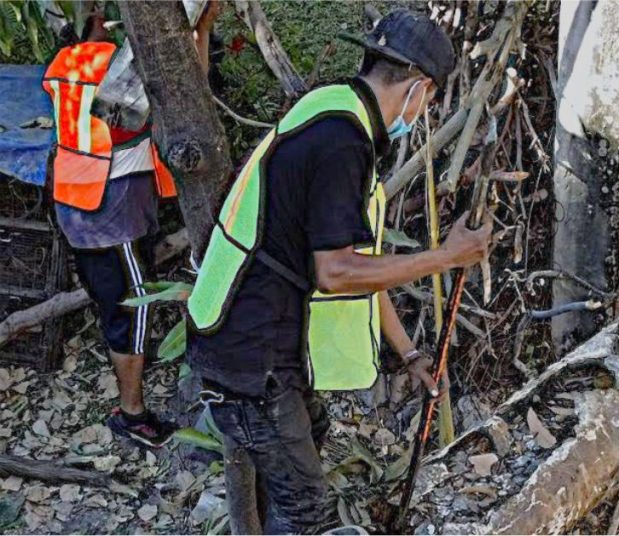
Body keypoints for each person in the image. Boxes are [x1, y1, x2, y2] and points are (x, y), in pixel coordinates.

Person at [185, 9, 490, 534]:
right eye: (431, 102)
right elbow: (337, 273)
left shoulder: (331, 109)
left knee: (305, 445)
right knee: (306, 511)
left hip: (254, 340)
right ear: (420, 89)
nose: (425, 113)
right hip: (251, 355)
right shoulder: (343, 141)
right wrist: (447, 257)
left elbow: (360, 265)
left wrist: (410, 353)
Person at [41, 2, 217, 448]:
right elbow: (187, 92)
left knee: (117, 307)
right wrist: (202, 29)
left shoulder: (67, 64)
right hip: (111, 214)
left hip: (80, 207)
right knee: (132, 311)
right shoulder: (116, 76)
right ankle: (132, 414)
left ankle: (130, 405)